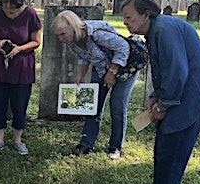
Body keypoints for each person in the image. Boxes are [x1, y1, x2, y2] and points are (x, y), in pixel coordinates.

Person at [121, 0, 200, 184]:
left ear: (146, 15)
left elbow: (177, 71)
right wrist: (155, 97)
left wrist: (164, 104)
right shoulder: (157, 29)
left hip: (190, 94)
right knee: (166, 142)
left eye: (129, 17)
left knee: (173, 145)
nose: (125, 22)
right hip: (184, 91)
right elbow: (163, 69)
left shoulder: (163, 30)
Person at [50, 10, 137, 160]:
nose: (61, 39)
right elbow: (83, 56)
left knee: (117, 106)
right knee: (92, 105)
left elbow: (123, 48)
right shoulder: (71, 41)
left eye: (63, 34)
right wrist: (80, 75)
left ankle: (115, 146)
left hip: (124, 68)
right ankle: (86, 143)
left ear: (73, 27)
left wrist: (112, 72)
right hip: (101, 67)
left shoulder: (96, 34)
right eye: (58, 35)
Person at [0, 0, 42, 155]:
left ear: (20, 1)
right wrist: (0, 43)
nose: (8, 8)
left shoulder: (31, 14)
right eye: (5, 3)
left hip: (22, 66)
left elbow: (36, 42)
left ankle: (18, 140)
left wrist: (19, 49)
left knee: (20, 104)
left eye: (12, 5)